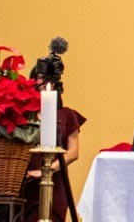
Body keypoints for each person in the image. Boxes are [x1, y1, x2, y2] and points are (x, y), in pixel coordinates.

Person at [23, 38, 85, 222]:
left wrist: (48, 170)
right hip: (26, 180)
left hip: (56, 179)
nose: (43, 83)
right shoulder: (23, 114)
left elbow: (73, 152)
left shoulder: (67, 115)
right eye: (39, 79)